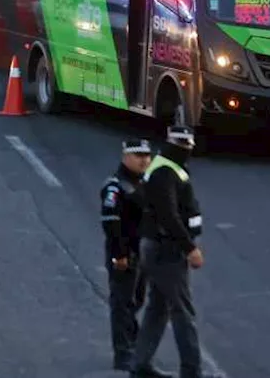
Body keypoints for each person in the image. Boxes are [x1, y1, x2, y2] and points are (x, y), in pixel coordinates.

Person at [128, 126, 213, 378]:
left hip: (159, 247)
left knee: (158, 308)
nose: (187, 148)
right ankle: (191, 370)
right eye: (183, 143)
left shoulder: (167, 166)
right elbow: (168, 215)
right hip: (166, 250)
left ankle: (140, 365)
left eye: (188, 143)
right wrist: (190, 248)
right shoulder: (164, 172)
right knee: (182, 312)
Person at [101, 139, 159, 373]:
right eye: (138, 156)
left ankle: (132, 345)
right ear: (126, 157)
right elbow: (111, 223)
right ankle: (123, 353)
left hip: (141, 253)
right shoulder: (116, 187)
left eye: (147, 155)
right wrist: (120, 254)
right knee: (122, 304)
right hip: (124, 254)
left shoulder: (144, 183)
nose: (144, 160)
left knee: (136, 301)